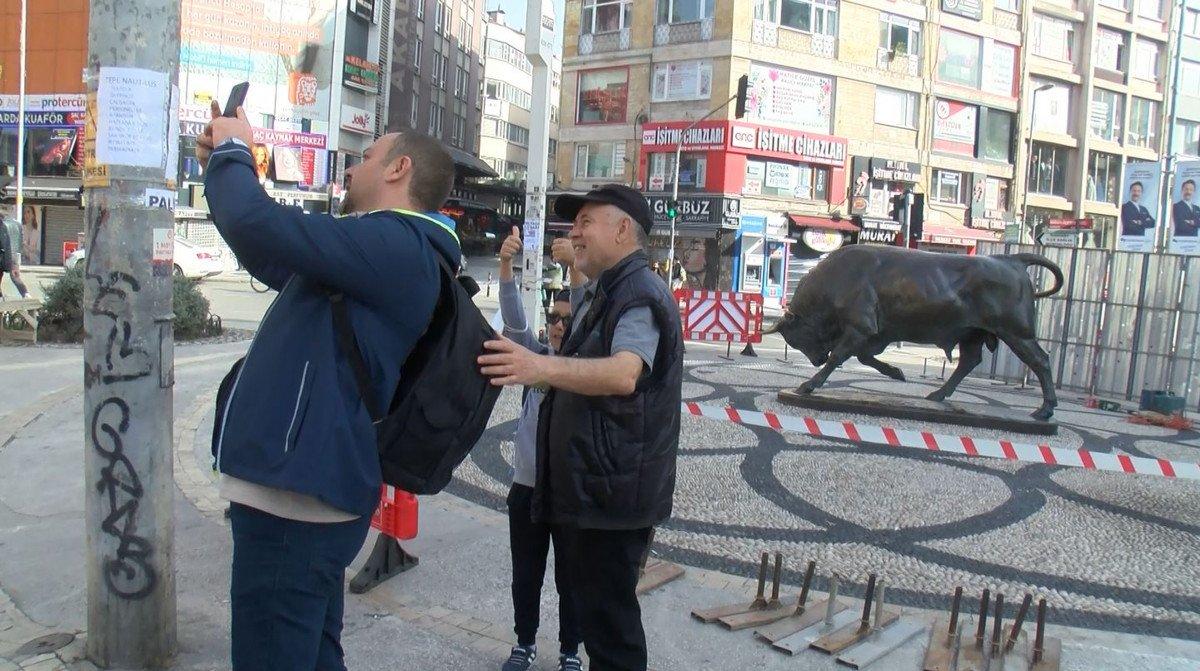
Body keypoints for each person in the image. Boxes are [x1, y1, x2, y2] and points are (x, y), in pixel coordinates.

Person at [196, 102, 460, 671]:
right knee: (311, 654)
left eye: (365, 157)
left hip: (298, 494)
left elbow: (261, 225)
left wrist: (235, 152)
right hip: (306, 484)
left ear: (398, 169)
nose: (351, 168)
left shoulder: (396, 245)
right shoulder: (380, 247)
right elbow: (270, 250)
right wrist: (222, 167)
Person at [478, 184, 684, 671]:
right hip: (594, 488)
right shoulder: (607, 290)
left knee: (612, 633)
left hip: (612, 496)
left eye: (586, 222)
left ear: (622, 229)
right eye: (574, 225)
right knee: (599, 624)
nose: (575, 233)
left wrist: (540, 369)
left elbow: (622, 373)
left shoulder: (638, 294)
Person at [495, 226, 586, 671]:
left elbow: (586, 305)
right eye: (553, 317)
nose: (557, 325)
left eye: (566, 320)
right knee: (525, 574)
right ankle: (524, 642)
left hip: (569, 491)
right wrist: (506, 267)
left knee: (571, 577)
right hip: (527, 488)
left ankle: (571, 650)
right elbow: (514, 325)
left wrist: (574, 266)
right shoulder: (534, 359)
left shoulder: (585, 366)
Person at [1, 216, 28, 298]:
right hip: (15, 254)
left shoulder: (2, 225)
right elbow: (21, 242)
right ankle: (26, 294)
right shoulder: (17, 224)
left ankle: (1, 299)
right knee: (15, 276)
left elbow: (2, 242)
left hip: (3, 254)